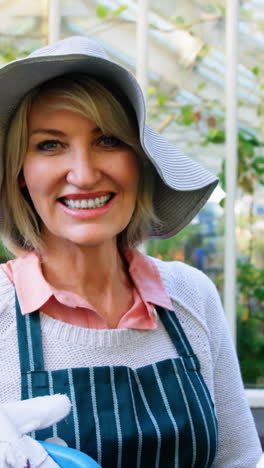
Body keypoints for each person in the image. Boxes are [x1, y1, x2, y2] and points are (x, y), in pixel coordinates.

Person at [0, 35, 262, 468]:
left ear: (139, 162)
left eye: (108, 140)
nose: (83, 175)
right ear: (20, 173)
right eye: (49, 144)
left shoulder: (191, 297)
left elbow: (239, 459)